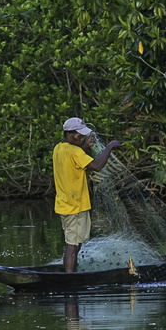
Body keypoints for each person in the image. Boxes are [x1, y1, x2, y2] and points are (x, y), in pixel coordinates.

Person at [53, 117, 122, 273]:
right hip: (74, 206)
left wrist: (85, 146)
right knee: (72, 245)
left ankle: (71, 274)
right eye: (79, 135)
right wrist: (109, 148)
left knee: (75, 244)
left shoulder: (59, 148)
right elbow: (97, 166)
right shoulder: (75, 151)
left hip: (65, 204)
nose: (82, 137)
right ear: (69, 134)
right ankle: (70, 279)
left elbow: (76, 158)